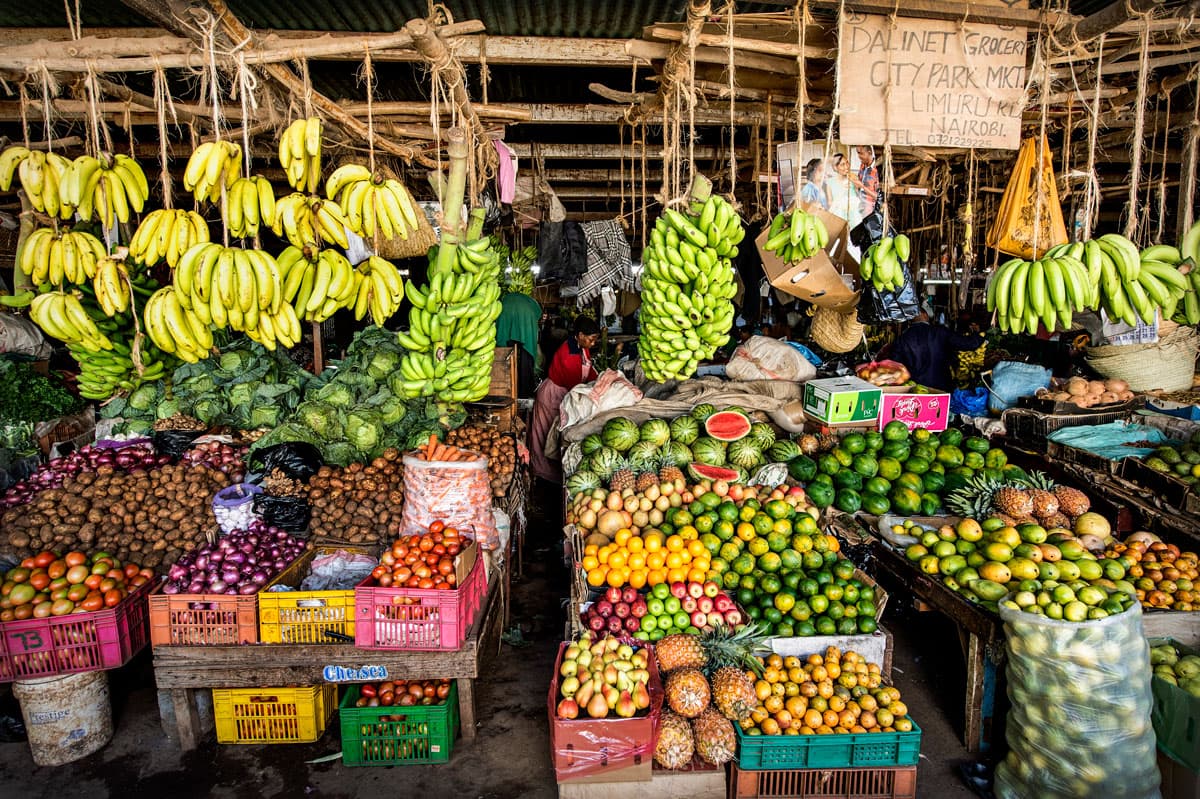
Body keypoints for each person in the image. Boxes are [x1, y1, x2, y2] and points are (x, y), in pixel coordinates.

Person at [529, 316, 600, 482]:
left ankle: (554, 473)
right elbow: (575, 384)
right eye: (591, 339)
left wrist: (599, 380)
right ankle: (542, 474)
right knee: (546, 433)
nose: (593, 343)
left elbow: (588, 371)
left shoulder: (581, 348)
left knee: (555, 434)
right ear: (581, 335)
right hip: (552, 395)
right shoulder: (568, 353)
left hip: (565, 395)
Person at [889, 312, 983, 391]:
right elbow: (968, 344)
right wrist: (977, 333)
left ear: (910, 319)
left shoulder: (903, 338)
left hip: (916, 388)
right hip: (941, 386)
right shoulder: (940, 332)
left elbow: (895, 364)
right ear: (926, 316)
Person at [495, 291, 543, 398]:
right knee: (526, 356)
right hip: (526, 317)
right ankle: (524, 393)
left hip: (505, 312)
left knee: (502, 355)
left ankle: (502, 389)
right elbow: (537, 316)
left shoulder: (505, 299)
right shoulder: (533, 305)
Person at [824, 153, 862, 230]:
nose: (846, 167)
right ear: (835, 167)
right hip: (839, 217)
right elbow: (830, 203)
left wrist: (856, 185)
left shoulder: (853, 178)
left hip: (854, 216)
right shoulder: (830, 182)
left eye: (847, 163)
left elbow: (860, 196)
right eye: (842, 165)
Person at [855, 145, 880, 219]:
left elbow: (878, 197)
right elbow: (859, 183)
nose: (859, 156)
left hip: (871, 209)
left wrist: (862, 186)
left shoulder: (877, 169)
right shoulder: (862, 165)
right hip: (860, 205)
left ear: (869, 152)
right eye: (858, 153)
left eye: (861, 153)